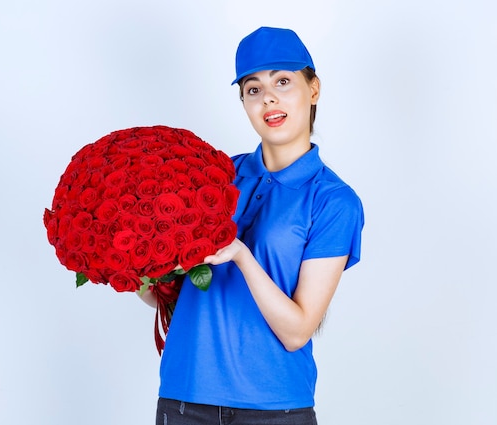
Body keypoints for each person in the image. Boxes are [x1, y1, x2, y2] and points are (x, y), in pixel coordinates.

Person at [141, 26, 364, 425]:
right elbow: (170, 296)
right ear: (244, 101)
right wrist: (126, 264)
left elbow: (298, 331)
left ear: (313, 90)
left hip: (274, 407)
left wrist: (242, 256)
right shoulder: (213, 175)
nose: (270, 98)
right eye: (254, 88)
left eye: (283, 81)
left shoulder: (332, 201)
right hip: (183, 395)